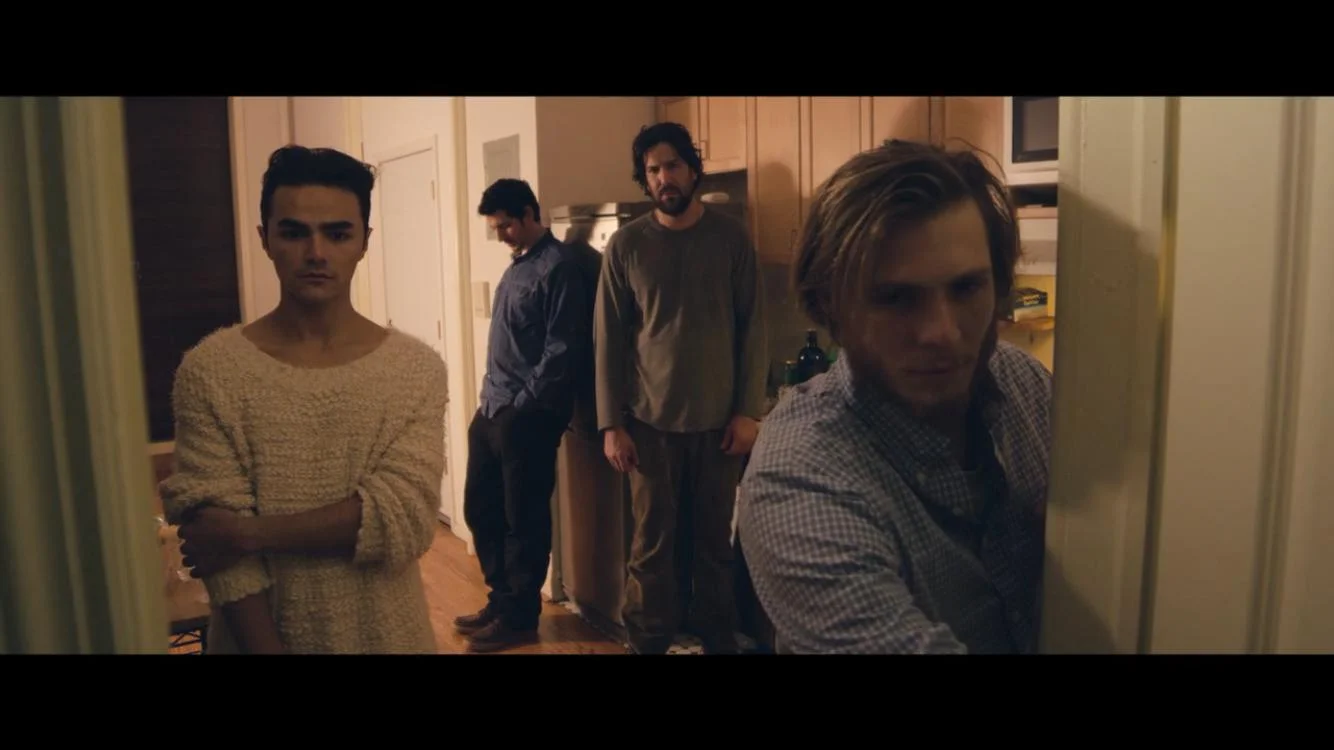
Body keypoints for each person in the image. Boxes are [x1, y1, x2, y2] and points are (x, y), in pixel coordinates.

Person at [736, 139, 1052, 654]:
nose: (942, 332)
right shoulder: (800, 477)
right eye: (896, 298)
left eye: (967, 288)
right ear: (830, 309)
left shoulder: (1023, 384)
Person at [158, 144, 447, 655]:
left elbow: (403, 513)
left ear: (364, 242)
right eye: (294, 233)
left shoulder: (415, 369)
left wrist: (250, 534)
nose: (316, 253)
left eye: (338, 234)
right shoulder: (212, 370)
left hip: (391, 635)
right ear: (265, 239)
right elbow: (217, 550)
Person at [594, 122, 768, 655]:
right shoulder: (626, 245)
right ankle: (646, 641)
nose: (663, 178)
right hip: (649, 425)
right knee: (652, 548)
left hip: (719, 425)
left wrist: (748, 412)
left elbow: (754, 327)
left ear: (692, 170)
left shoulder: (731, 239)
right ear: (644, 180)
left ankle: (716, 636)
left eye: (672, 165)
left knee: (714, 544)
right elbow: (608, 340)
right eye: (653, 170)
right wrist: (611, 424)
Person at [454, 178, 591, 653]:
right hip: (492, 407)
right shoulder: (517, 266)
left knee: (523, 519)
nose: (501, 235)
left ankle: (519, 617)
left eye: (506, 225)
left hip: (527, 416)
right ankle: (501, 599)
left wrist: (522, 406)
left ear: (531, 214)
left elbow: (562, 348)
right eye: (496, 228)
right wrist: (492, 404)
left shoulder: (559, 267)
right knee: (481, 507)